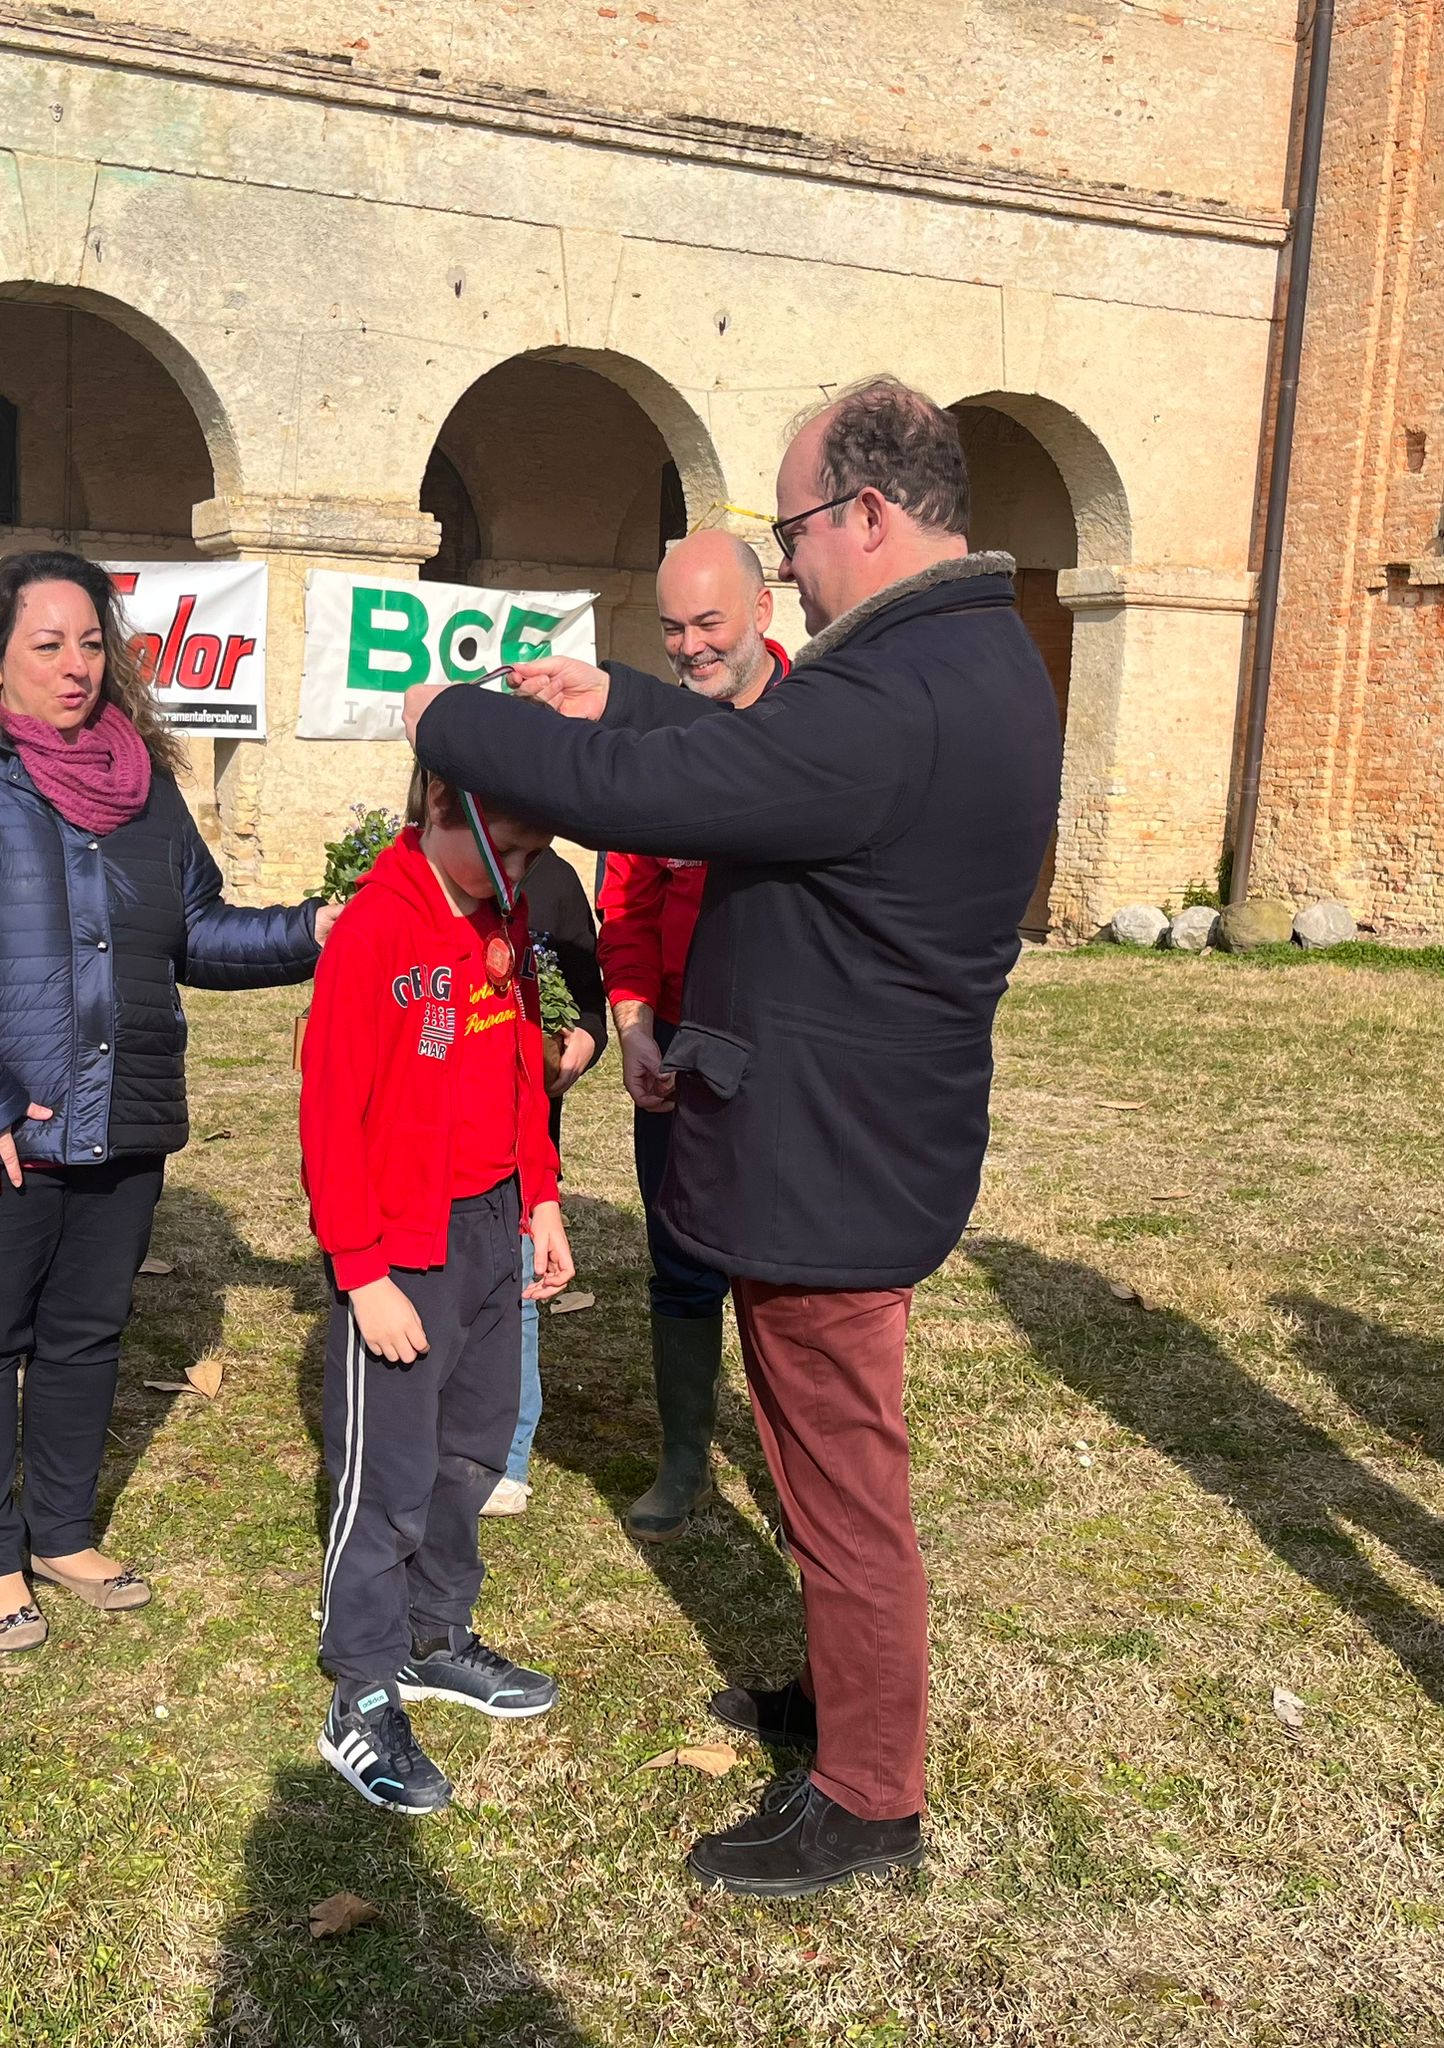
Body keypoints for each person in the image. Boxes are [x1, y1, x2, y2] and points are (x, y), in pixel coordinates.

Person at [403, 376, 1062, 1896]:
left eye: (796, 529)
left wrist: (459, 720)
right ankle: (843, 1696)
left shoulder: (895, 689)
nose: (793, 562)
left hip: (832, 1156)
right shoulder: (963, 657)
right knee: (822, 1462)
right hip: (861, 1136)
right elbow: (752, 753)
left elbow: (677, 786)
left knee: (840, 1481)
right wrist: (619, 697)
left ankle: (870, 1793)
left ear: (866, 515)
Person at [0, 551, 330, 1653]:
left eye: (93, 643)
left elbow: (195, 932)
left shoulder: (142, 781)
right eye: (48, 644)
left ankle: (60, 1532)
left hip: (121, 1115)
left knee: (85, 1334)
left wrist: (314, 930)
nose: (76, 666)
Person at [301, 765, 575, 1813]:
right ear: (437, 810)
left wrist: (539, 1198)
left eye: (534, 858)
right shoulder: (377, 931)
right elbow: (330, 1113)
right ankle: (362, 1684)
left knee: (471, 1447)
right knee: (389, 1476)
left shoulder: (502, 922)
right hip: (400, 1244)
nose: (519, 876)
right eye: (505, 851)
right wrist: (362, 1271)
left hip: (492, 1229)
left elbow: (521, 1071)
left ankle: (435, 1634)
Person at [598, 531, 788, 1541]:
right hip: (675, 1038)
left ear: (762, 610)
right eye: (672, 627)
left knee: (786, 1263)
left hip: (788, 1044)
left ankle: (799, 1470)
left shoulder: (820, 725)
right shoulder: (659, 751)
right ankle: (684, 1460)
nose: (689, 645)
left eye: (708, 621)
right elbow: (627, 904)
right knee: (678, 1252)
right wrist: (633, 1025)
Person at [480, 845, 604, 1517]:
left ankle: (507, 1457)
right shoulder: (427, 876)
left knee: (517, 1292)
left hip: (524, 1135)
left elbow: (586, 1002)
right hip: (439, 1141)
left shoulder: (554, 882)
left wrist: (582, 1041)